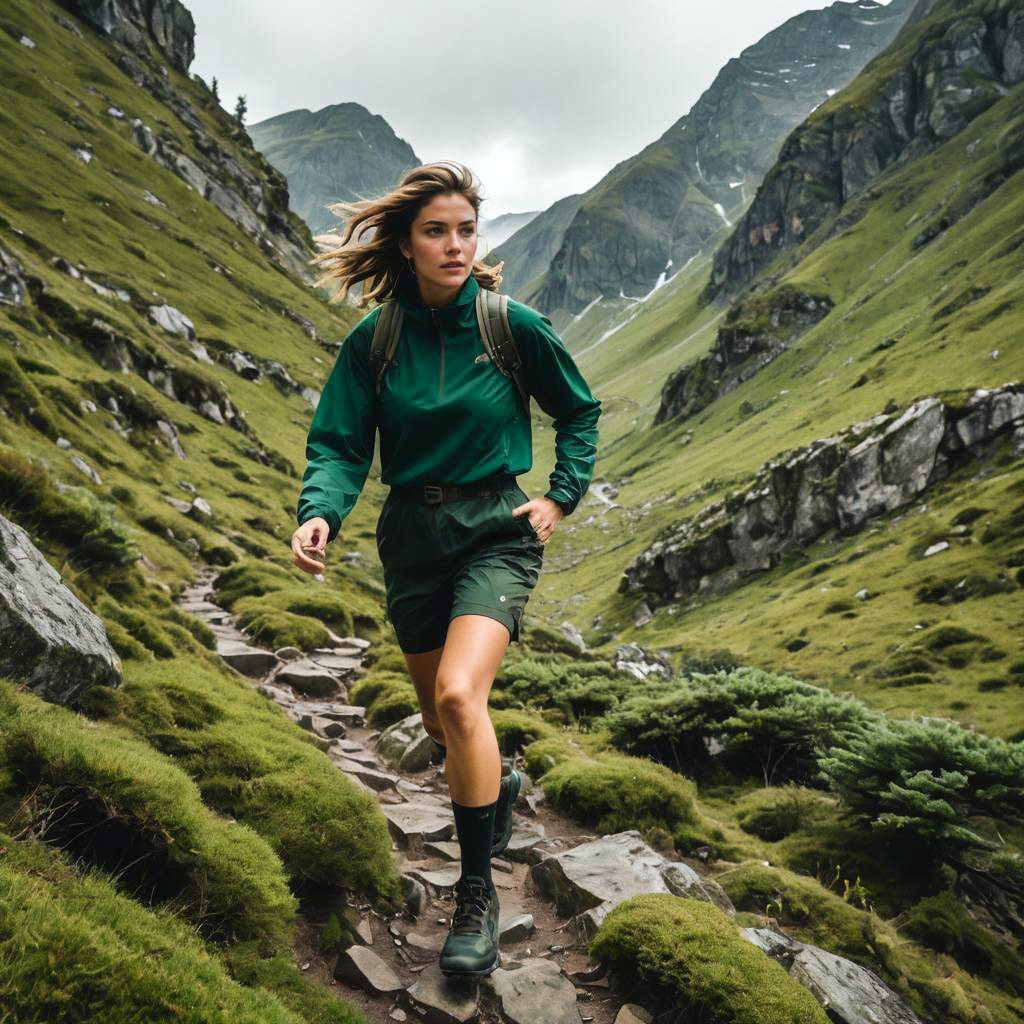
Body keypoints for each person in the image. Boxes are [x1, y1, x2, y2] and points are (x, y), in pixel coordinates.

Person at [290, 161, 601, 978]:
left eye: (466, 229)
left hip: (495, 528)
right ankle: (493, 790)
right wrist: (320, 509)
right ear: (407, 242)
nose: (456, 244)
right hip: (410, 537)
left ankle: (476, 896)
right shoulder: (377, 340)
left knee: (464, 698)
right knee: (439, 722)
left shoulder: (510, 325)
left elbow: (579, 410)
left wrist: (559, 498)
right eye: (437, 230)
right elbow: (340, 442)